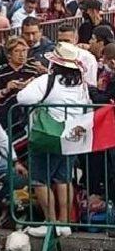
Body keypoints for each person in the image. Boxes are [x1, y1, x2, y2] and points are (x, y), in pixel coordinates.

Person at [17, 42, 90, 238]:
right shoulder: (81, 85)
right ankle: (64, 222)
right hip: (72, 136)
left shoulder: (46, 81)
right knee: (63, 178)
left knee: (40, 179)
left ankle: (50, 222)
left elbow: (22, 98)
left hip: (47, 135)